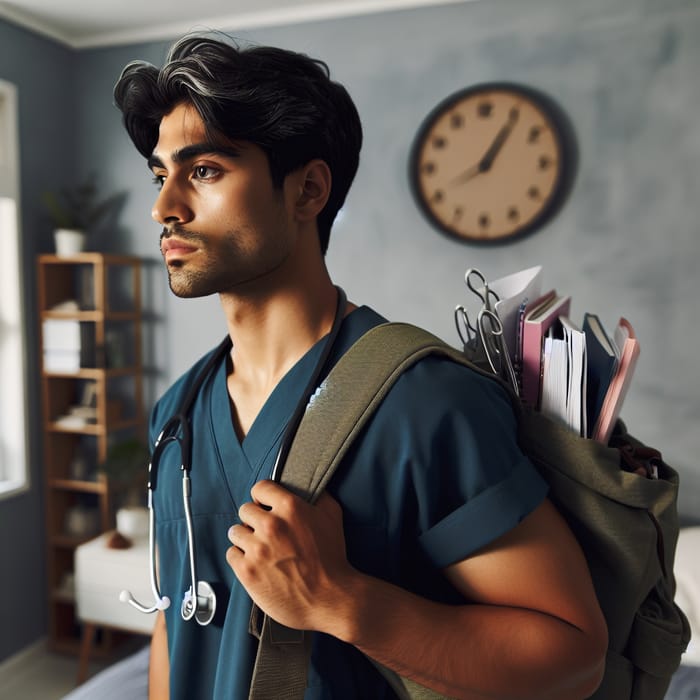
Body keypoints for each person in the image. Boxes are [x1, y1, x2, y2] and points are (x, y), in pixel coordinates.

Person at [113, 34, 608, 700]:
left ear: (308, 190)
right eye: (159, 174)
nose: (163, 206)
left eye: (204, 170)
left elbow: (572, 657)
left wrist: (341, 600)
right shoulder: (174, 413)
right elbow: (177, 622)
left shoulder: (424, 404)